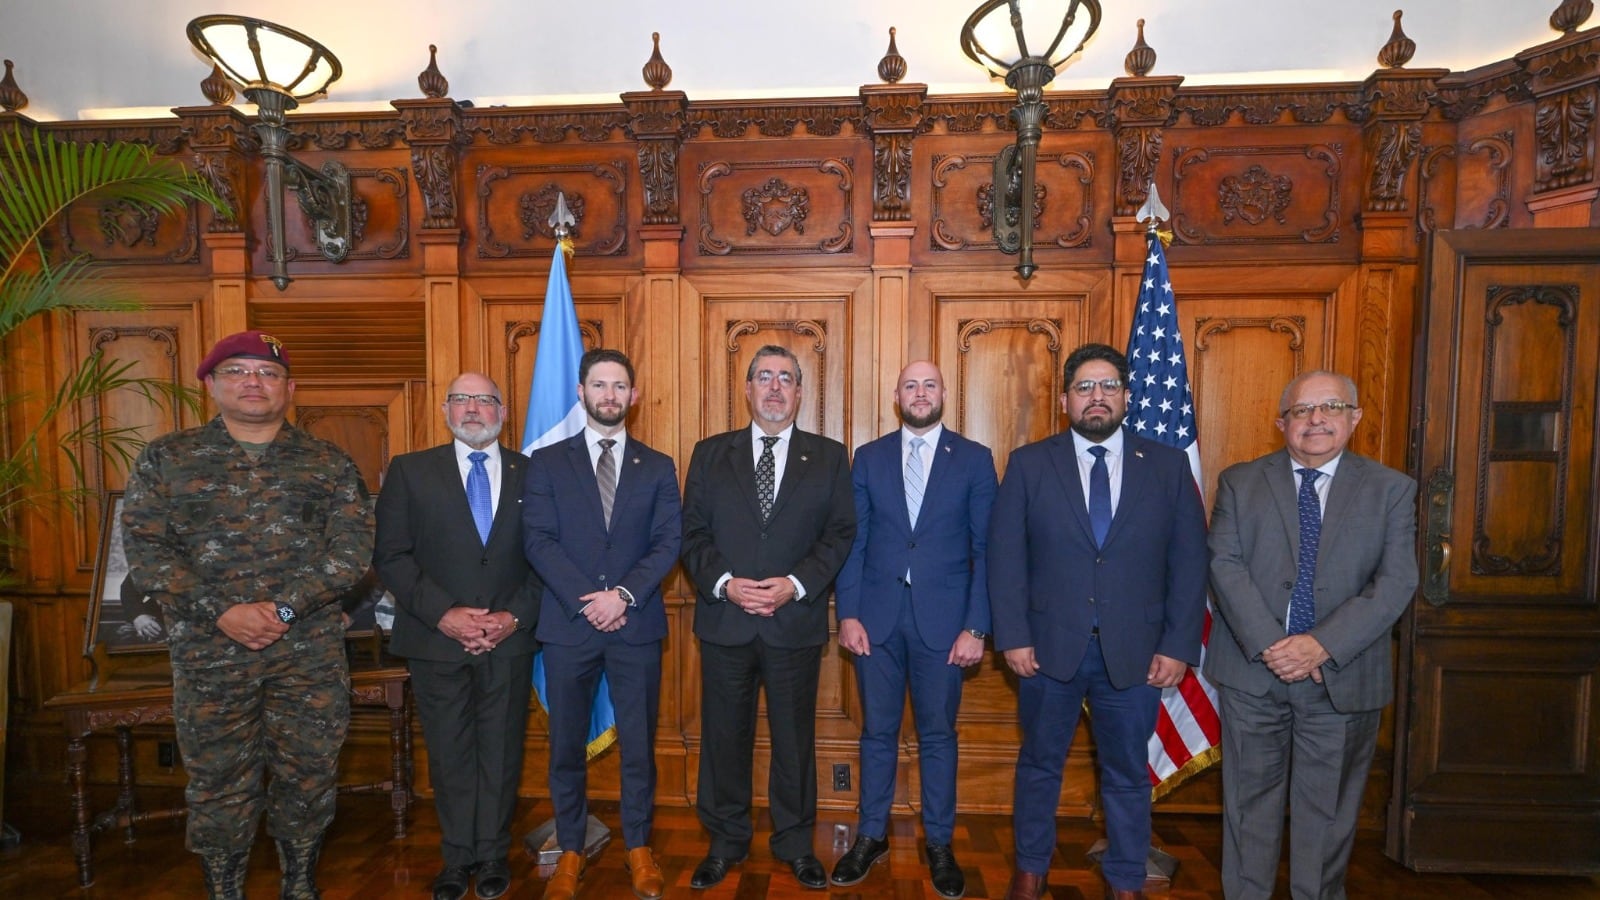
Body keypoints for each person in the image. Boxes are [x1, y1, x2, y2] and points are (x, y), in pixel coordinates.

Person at [121, 330, 374, 900]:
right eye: (237, 371)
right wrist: (224, 612)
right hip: (211, 654)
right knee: (217, 782)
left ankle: (300, 885)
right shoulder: (167, 458)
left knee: (308, 776)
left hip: (305, 654)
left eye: (267, 374)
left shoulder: (327, 462)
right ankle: (224, 890)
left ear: (290, 388)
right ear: (211, 384)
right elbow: (148, 555)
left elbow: (353, 553)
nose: (253, 383)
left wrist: (284, 608)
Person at [988, 342, 1208, 900]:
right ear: (1065, 399)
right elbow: (1005, 557)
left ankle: (1126, 880)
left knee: (1128, 774)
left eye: (1108, 385)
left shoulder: (1166, 465)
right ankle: (1030, 869)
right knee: (1039, 765)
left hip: (1137, 651)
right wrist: (1012, 636)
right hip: (1046, 650)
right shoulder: (1031, 463)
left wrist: (1179, 645)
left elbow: (1188, 562)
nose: (1097, 397)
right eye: (1085, 387)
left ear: (1127, 396)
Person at [1204, 371, 1418, 900]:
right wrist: (1274, 646)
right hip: (1254, 672)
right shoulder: (1240, 481)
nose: (1316, 420)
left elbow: (1396, 581)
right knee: (1248, 807)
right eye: (1301, 411)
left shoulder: (1392, 490)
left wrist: (1321, 644)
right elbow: (1224, 566)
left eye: (1331, 407)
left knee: (1327, 815)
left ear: (1355, 418)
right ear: (1282, 423)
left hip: (1340, 677)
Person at [680, 344, 856, 891]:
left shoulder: (828, 456)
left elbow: (840, 534)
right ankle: (726, 842)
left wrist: (796, 585)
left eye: (786, 378)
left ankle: (796, 844)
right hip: (726, 622)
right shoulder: (710, 454)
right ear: (748, 389)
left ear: (800, 393)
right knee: (723, 738)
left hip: (792, 623)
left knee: (794, 741)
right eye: (764, 377)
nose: (775, 387)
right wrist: (727, 586)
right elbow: (693, 536)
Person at [373, 372, 543, 900]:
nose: (473, 409)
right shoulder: (409, 471)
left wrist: (511, 618)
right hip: (434, 639)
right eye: (462, 399)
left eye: (486, 400)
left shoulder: (535, 474)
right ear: (445, 408)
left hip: (509, 639)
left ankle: (492, 855)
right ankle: (456, 859)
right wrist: (446, 614)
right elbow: (391, 557)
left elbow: (550, 560)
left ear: (504, 413)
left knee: (501, 752)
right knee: (449, 754)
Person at [830, 360, 997, 898]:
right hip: (876, 620)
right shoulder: (870, 457)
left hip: (945, 625)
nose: (920, 393)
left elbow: (985, 550)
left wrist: (977, 626)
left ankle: (941, 844)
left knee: (938, 736)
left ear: (944, 393)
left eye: (929, 385)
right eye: (910, 385)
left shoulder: (974, 460)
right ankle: (870, 835)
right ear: (896, 396)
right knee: (876, 733)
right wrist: (847, 613)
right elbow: (853, 542)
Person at [522, 349, 682, 900]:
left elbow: (668, 543)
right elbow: (538, 540)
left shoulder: (658, 466)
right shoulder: (546, 462)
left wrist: (623, 596)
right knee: (565, 746)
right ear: (582, 393)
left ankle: (639, 847)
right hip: (569, 626)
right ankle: (570, 849)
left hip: (635, 625)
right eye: (599, 385)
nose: (609, 395)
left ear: (633, 397)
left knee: (639, 745)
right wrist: (588, 600)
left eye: (619, 386)